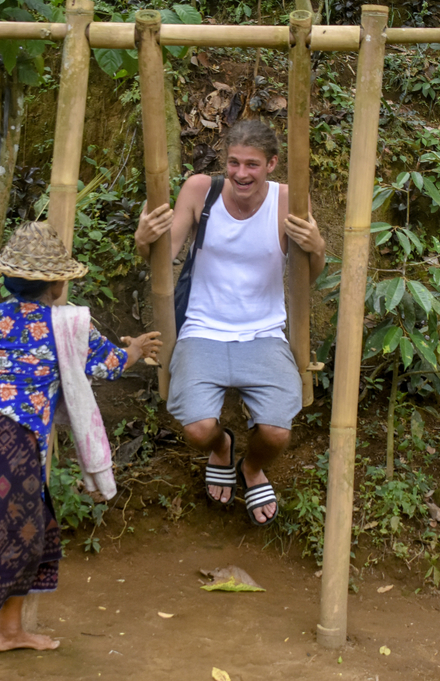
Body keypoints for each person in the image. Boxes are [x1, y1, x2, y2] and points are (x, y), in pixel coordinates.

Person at [0, 221, 162, 681]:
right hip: (11, 438)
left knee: (29, 529)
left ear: (8, 280)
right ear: (59, 284)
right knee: (7, 546)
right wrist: (137, 346)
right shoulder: (68, 324)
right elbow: (112, 363)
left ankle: (10, 630)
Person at [134, 119, 325, 526]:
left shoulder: (289, 200)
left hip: (264, 332)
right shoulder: (201, 190)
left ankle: (251, 469)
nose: (241, 173)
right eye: (234, 162)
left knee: (276, 432)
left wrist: (317, 248)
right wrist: (142, 240)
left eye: (252, 164)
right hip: (202, 329)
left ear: (271, 164)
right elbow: (161, 260)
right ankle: (222, 448)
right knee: (199, 429)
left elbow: (311, 275)